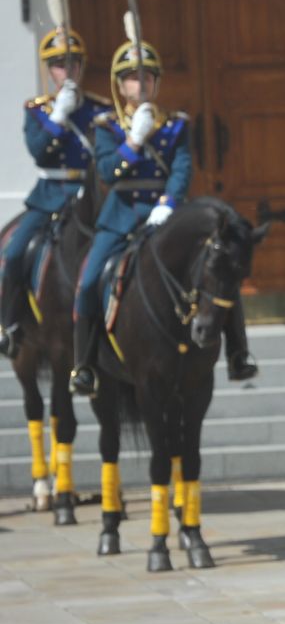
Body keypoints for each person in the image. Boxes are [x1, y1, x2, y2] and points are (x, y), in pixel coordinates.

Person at [72, 39, 261, 395]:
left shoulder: (175, 125)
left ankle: (239, 353)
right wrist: (134, 140)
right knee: (89, 280)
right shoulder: (107, 126)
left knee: (219, 272)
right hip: (121, 215)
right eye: (131, 78)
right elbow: (109, 172)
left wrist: (168, 202)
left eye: (147, 77)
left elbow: (182, 168)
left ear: (157, 83)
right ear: (119, 84)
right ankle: (84, 365)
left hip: (168, 216)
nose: (140, 85)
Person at [2, 15, 113, 358]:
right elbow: (38, 151)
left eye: (71, 64)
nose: (66, 71)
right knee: (15, 251)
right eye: (59, 65)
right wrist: (58, 117)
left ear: (81, 67)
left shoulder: (100, 109)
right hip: (50, 196)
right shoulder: (38, 111)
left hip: (89, 197)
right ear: (50, 71)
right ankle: (8, 322)